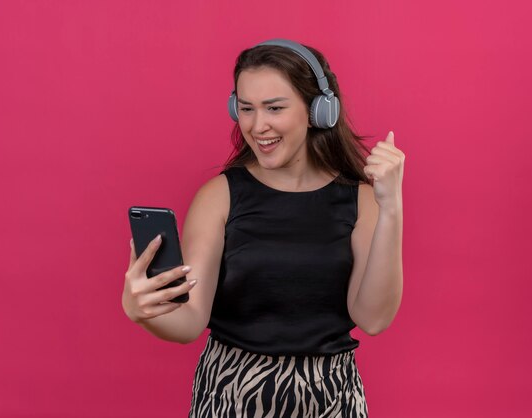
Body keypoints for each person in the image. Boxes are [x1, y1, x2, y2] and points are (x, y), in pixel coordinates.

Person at [122, 38, 405, 417]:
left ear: (318, 111)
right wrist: (140, 309)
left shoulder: (361, 200)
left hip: (331, 399)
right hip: (231, 396)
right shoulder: (219, 196)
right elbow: (190, 322)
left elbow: (373, 318)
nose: (258, 126)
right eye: (246, 108)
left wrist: (391, 209)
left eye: (274, 108)